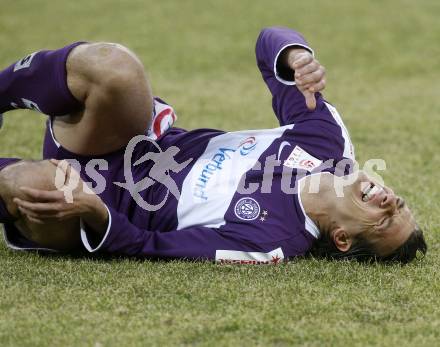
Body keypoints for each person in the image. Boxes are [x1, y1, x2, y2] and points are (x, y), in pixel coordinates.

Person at [0, 27, 426, 263]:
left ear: (342, 239)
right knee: (116, 67)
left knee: (41, 185)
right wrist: (296, 57)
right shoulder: (326, 138)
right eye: (401, 204)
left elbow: (151, 247)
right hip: (127, 140)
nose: (391, 203)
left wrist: (94, 211)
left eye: (385, 221)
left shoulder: (271, 242)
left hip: (95, 203)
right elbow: (268, 43)